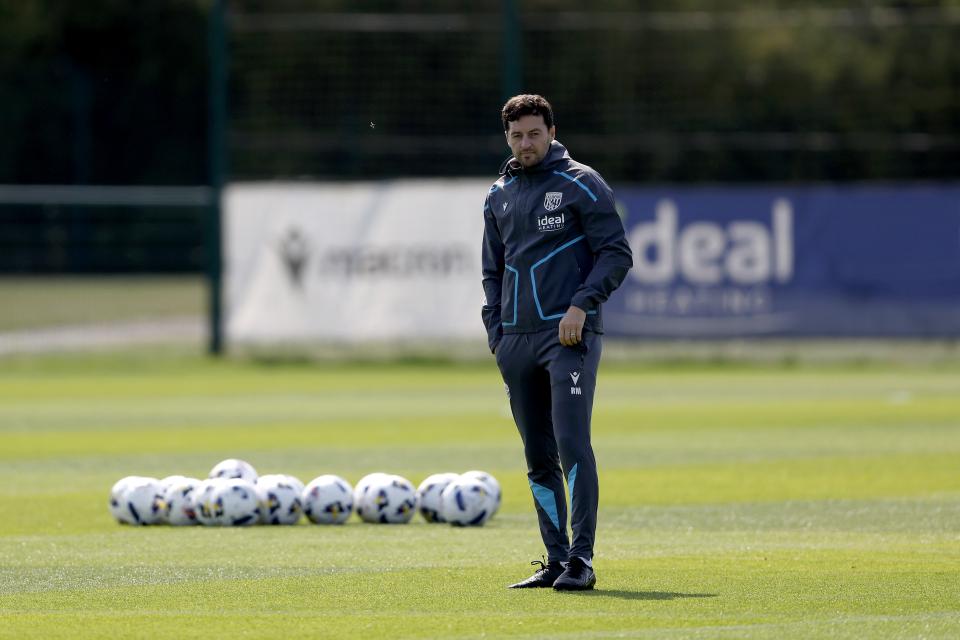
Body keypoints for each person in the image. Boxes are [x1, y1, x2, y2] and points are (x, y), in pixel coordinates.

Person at [481, 94, 634, 591]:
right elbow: (492, 272)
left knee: (571, 444)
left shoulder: (581, 184)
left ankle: (582, 561)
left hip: (568, 336)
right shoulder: (498, 194)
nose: (526, 143)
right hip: (516, 342)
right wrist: (497, 334)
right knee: (537, 455)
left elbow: (616, 254)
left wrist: (581, 305)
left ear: (551, 132)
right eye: (517, 135)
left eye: (534, 133)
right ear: (507, 137)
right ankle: (555, 558)